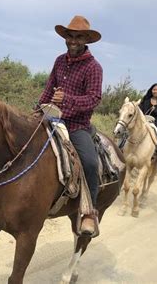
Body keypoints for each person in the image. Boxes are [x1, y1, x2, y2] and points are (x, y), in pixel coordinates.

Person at [37, 15, 103, 235]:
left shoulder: (94, 67)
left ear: (86, 40)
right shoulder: (59, 61)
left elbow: (93, 99)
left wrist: (66, 100)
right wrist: (38, 109)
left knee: (91, 163)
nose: (73, 40)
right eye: (70, 36)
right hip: (50, 118)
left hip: (77, 126)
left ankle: (88, 212)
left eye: (78, 37)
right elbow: (49, 89)